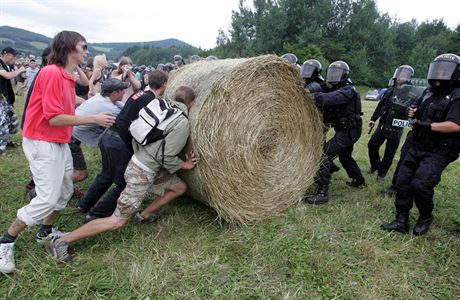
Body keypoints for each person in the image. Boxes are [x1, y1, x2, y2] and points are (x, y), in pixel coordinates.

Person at [0, 31, 116, 274]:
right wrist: (93, 117)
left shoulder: (66, 75)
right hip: (43, 140)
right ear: (69, 48)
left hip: (58, 141)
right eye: (83, 46)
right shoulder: (52, 72)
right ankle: (6, 242)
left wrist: (89, 104)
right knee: (48, 199)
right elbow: (53, 118)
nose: (87, 50)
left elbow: (67, 100)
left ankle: (46, 232)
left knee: (64, 191)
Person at [47, 81, 198, 263]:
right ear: (191, 103)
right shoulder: (181, 121)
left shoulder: (160, 105)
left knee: (179, 187)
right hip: (143, 171)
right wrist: (185, 165)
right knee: (116, 221)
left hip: (141, 161)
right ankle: (61, 241)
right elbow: (169, 156)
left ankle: (144, 214)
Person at [74, 70, 172, 222]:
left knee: (106, 175)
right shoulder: (151, 101)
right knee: (123, 183)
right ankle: (95, 214)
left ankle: (83, 205)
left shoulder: (140, 94)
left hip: (108, 137)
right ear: (164, 85)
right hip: (118, 143)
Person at [381, 53, 460, 236]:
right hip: (417, 144)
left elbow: (455, 125)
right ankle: (401, 220)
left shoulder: (456, 97)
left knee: (421, 184)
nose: (440, 73)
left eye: (445, 70)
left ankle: (425, 217)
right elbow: (415, 106)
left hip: (439, 150)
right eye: (438, 69)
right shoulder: (428, 92)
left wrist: (426, 125)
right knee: (402, 181)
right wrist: (413, 111)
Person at [304, 60, 365, 204]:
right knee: (345, 157)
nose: (334, 76)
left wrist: (311, 95)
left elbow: (329, 99)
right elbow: (323, 92)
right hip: (344, 130)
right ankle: (359, 180)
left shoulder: (348, 90)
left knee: (324, 155)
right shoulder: (335, 88)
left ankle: (322, 192)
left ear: (344, 75)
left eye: (337, 73)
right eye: (332, 72)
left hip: (350, 131)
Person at [367, 65, 416, 182]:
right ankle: (375, 165)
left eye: (403, 75)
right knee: (372, 145)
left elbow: (413, 110)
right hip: (383, 124)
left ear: (409, 77)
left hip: (397, 126)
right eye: (399, 74)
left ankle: (381, 174)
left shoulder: (412, 93)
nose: (400, 77)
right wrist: (373, 119)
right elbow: (380, 105)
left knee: (389, 152)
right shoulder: (389, 90)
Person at [0, 47, 25, 155]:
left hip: (4, 98)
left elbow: (7, 84)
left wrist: (11, 100)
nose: (15, 58)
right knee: (2, 123)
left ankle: (7, 141)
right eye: (14, 56)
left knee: (12, 121)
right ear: (7, 54)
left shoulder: (6, 65)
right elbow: (7, 76)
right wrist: (19, 70)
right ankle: (1, 148)